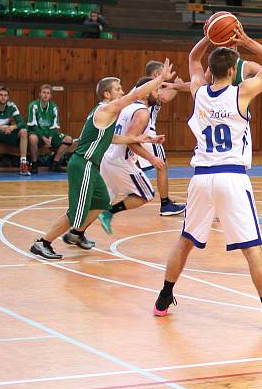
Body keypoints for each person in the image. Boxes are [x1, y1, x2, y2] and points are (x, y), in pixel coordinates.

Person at [153, 29, 262, 334]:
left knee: (185, 241)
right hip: (231, 177)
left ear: (210, 71)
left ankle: (163, 299)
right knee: (252, 249)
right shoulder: (241, 92)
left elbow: (192, 57)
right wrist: (245, 41)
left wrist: (209, 35)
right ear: (232, 71)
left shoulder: (199, 92)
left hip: (201, 178)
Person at [29, 62, 174, 260]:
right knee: (75, 212)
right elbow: (135, 95)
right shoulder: (107, 109)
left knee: (102, 201)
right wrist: (160, 79)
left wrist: (140, 139)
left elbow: (112, 138)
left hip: (93, 165)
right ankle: (43, 242)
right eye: (118, 89)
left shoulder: (107, 113)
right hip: (83, 163)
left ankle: (77, 234)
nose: (122, 91)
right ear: (107, 94)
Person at [97, 76, 167, 234]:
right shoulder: (142, 112)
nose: (158, 94)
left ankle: (76, 232)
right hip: (120, 161)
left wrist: (152, 140)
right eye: (155, 91)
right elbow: (131, 141)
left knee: (101, 201)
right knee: (146, 194)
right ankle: (109, 213)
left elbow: (129, 134)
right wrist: (153, 159)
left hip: (108, 158)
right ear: (145, 93)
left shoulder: (127, 107)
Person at [135, 61, 187, 216]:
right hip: (147, 134)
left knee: (125, 165)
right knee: (162, 166)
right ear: (157, 75)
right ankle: (165, 204)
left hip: (136, 133)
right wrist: (177, 86)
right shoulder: (150, 88)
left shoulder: (140, 87)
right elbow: (164, 98)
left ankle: (101, 199)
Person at [0, 85, 30, 176]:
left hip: (8, 133)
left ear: (8, 97)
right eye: (1, 95)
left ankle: (23, 165)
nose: (3, 97)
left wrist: (12, 127)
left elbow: (22, 123)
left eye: (5, 95)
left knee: (23, 131)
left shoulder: (12, 105)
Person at [26, 84, 73, 174]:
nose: (46, 95)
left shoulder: (54, 107)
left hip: (49, 134)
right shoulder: (33, 106)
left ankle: (55, 163)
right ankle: (34, 164)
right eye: (44, 92)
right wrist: (44, 138)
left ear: (50, 96)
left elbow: (54, 126)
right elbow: (33, 125)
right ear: (39, 94)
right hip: (37, 133)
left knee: (68, 139)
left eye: (48, 93)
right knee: (32, 138)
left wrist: (50, 138)